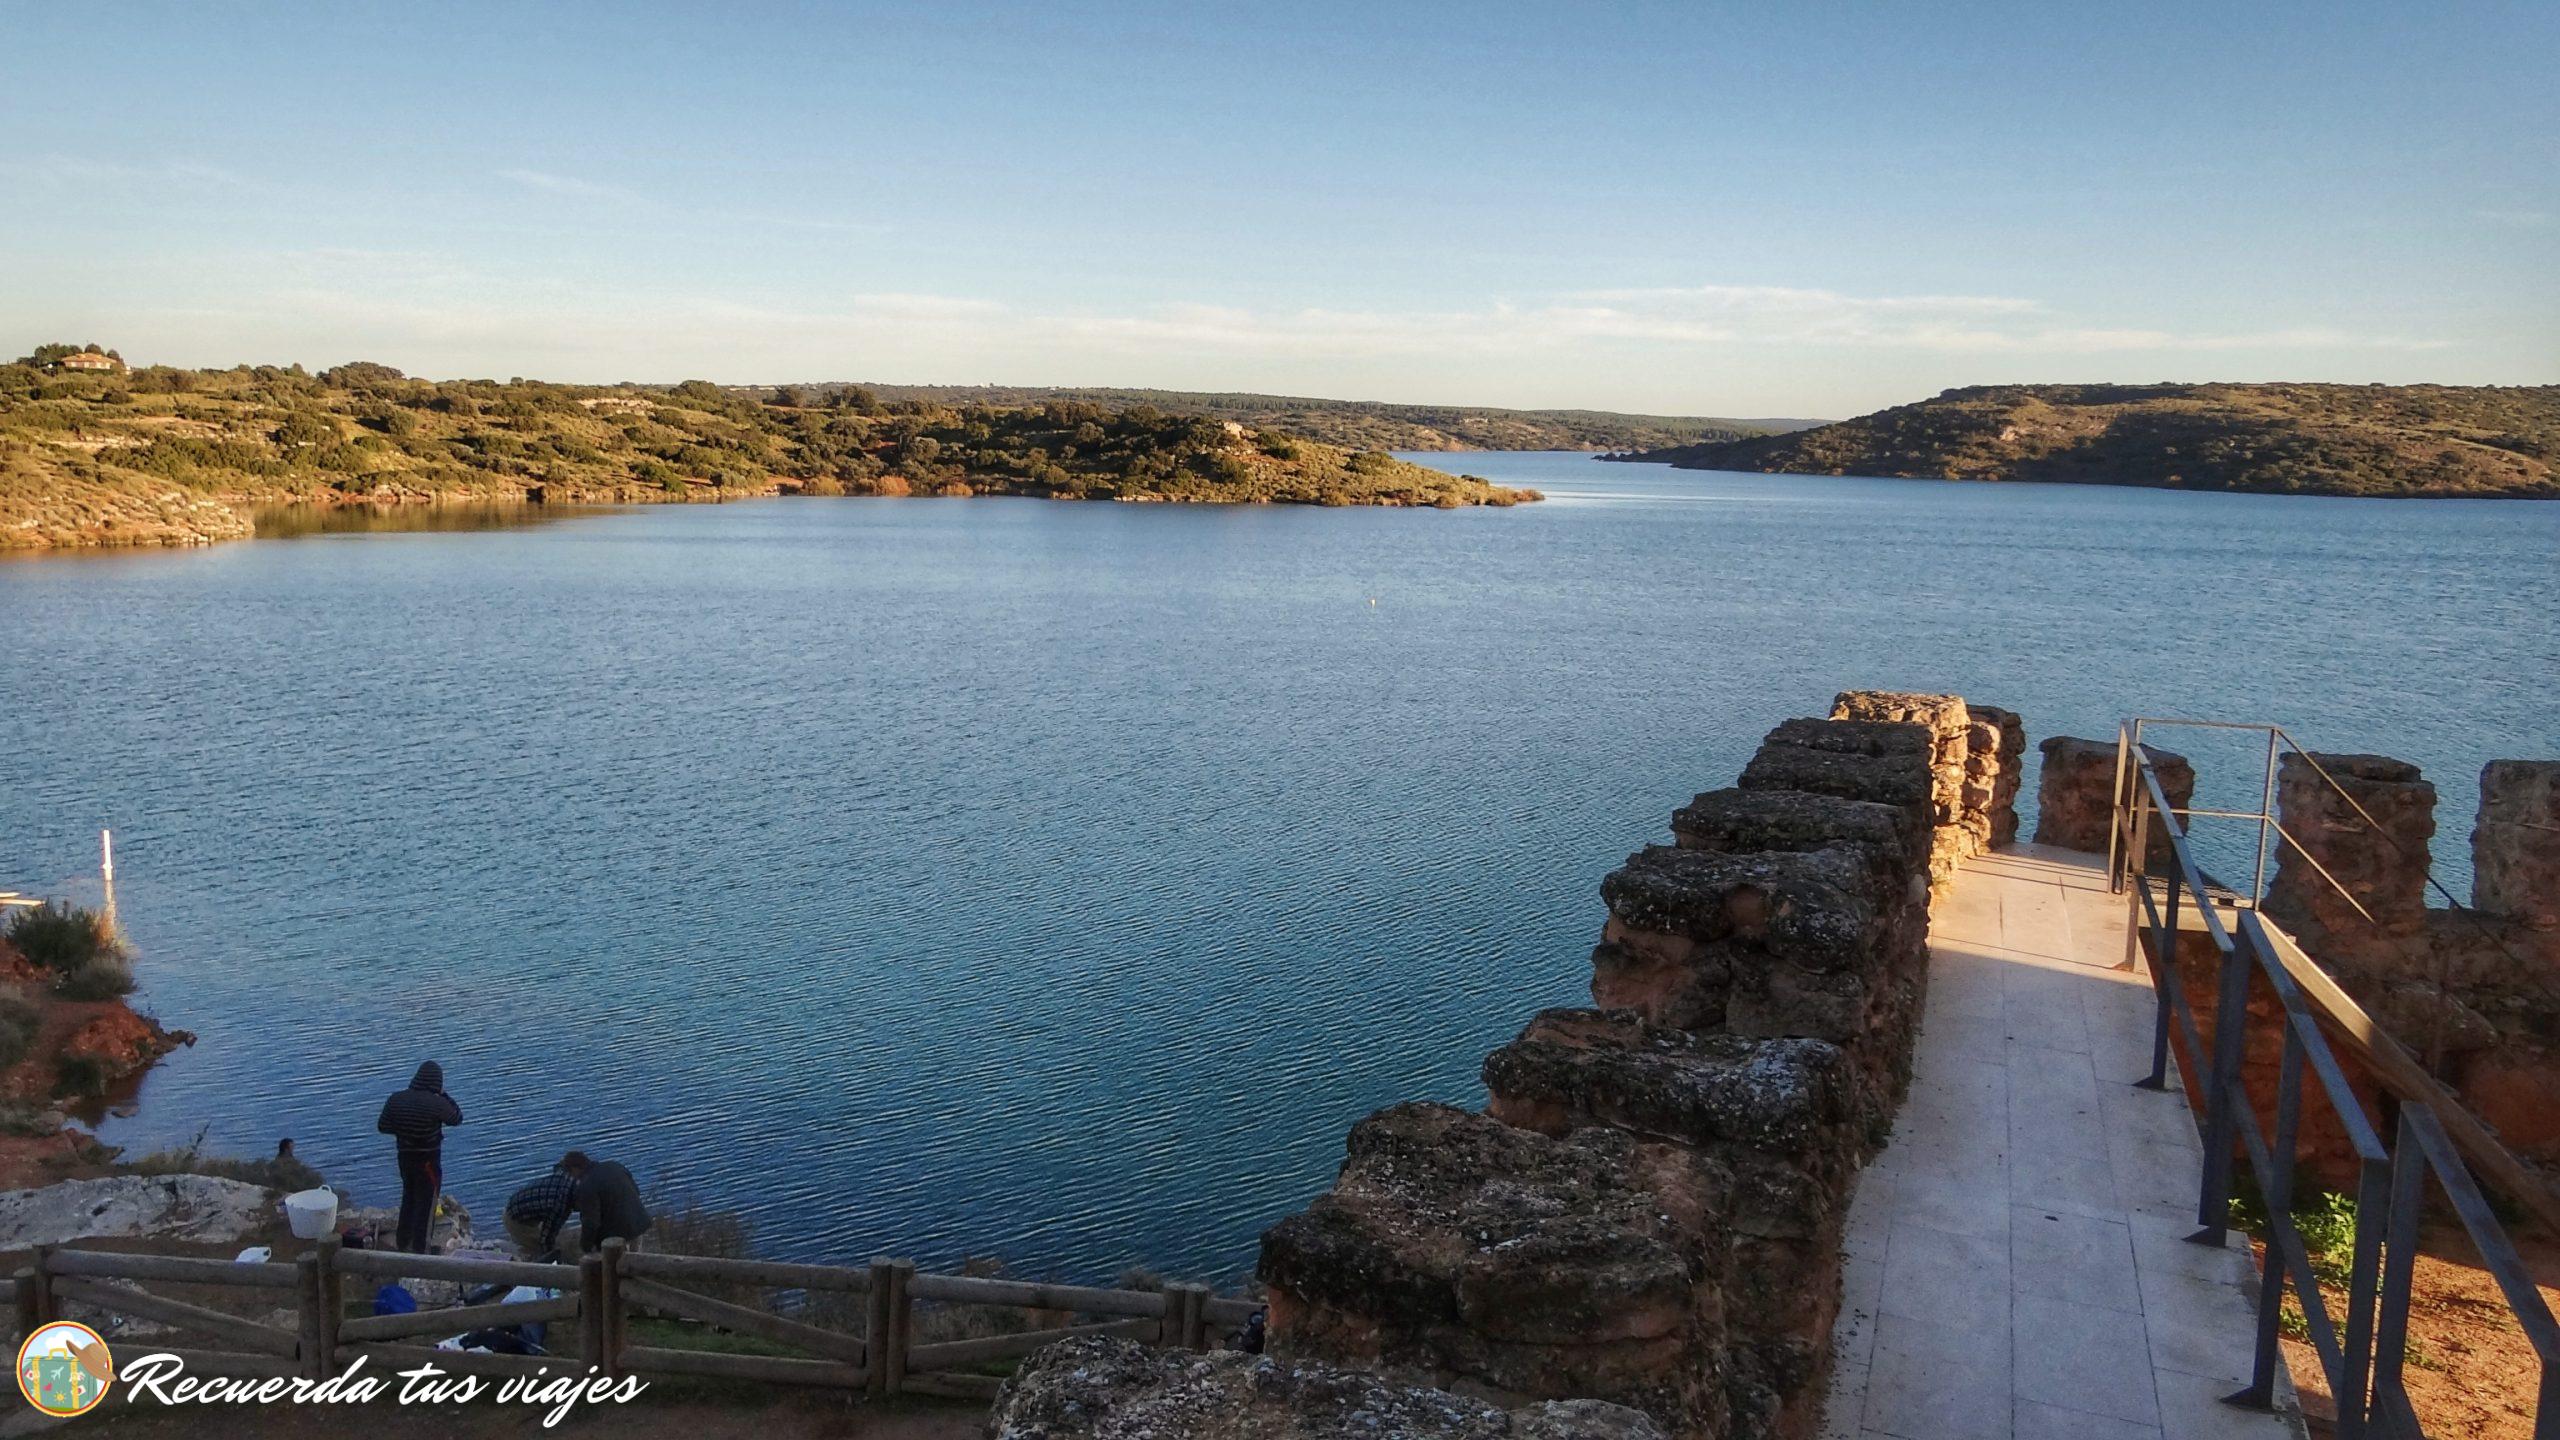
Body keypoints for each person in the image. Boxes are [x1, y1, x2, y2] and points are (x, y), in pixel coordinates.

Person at [374, 1061, 462, 1253]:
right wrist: (444, 1095)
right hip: (428, 1161)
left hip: (404, 1158)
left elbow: (383, 1126)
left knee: (409, 1197)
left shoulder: (396, 1099)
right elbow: (456, 1118)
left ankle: (403, 1242)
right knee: (427, 1204)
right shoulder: (437, 1103)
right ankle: (421, 1250)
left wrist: (405, 1132)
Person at [560, 1152, 652, 1255]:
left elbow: (591, 1222)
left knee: (615, 1267)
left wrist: (586, 1246)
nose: (571, 1177)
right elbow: (636, 1191)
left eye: (569, 1173)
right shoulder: (615, 1166)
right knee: (636, 1262)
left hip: (617, 1237)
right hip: (639, 1222)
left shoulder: (586, 1186)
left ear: (574, 1169)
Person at [503, 1159, 578, 1260]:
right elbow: (547, 1237)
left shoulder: (568, 1178)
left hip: (521, 1203)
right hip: (515, 1218)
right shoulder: (559, 1206)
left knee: (561, 1236)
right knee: (543, 1247)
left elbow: (559, 1166)